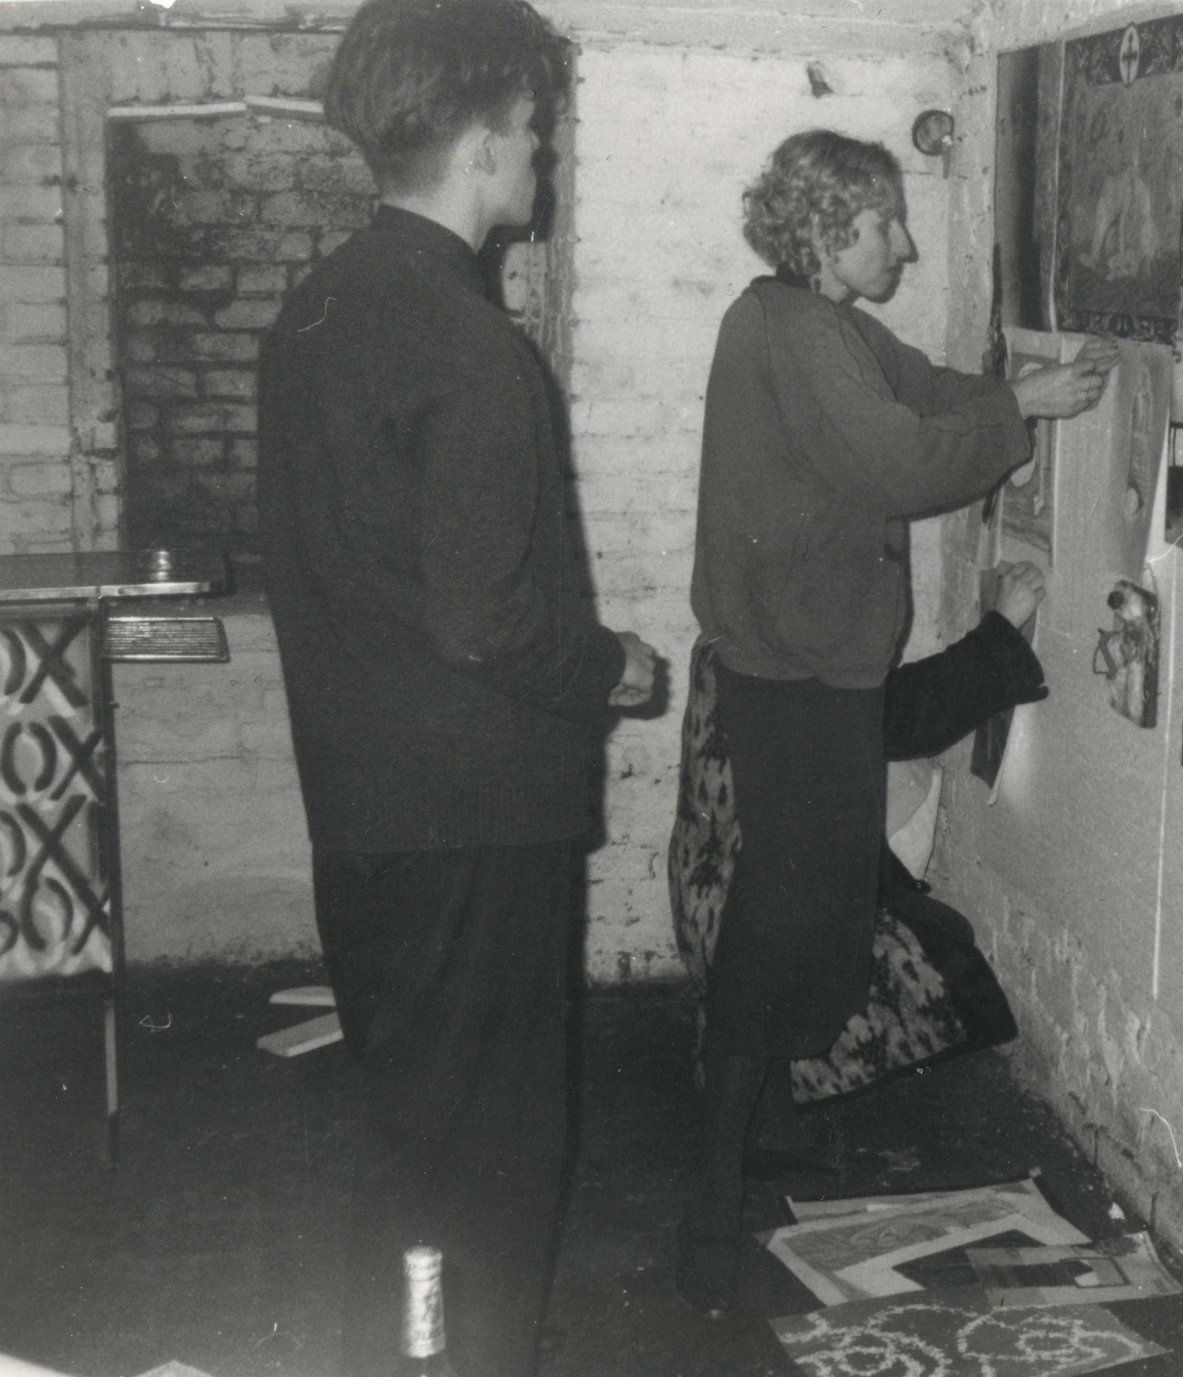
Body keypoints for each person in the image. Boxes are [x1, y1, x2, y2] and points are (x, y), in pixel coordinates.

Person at [256, 2, 659, 1372]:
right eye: (535, 128)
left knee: (414, 1138)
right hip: (477, 817)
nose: (541, 155)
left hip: (367, 808)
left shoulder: (313, 314)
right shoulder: (475, 350)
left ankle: (408, 1359)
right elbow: (490, 623)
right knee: (487, 1165)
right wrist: (617, 663)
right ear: (486, 142)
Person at [681, 128, 1115, 1314]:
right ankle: (708, 1194)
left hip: (804, 664)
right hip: (796, 673)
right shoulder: (788, 330)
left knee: (801, 909)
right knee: (791, 918)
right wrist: (1021, 406)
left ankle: (752, 1137)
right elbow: (896, 461)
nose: (907, 242)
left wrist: (1017, 396)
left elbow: (924, 392)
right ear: (833, 227)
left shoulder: (815, 323)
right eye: (887, 223)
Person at [670, 560, 1048, 1135]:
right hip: (745, 902)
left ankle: (756, 1135)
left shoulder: (736, 640)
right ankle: (744, 1154)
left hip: (714, 888)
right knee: (943, 970)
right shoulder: (785, 668)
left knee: (759, 999)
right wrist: (1000, 628)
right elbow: (898, 715)